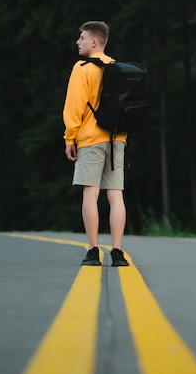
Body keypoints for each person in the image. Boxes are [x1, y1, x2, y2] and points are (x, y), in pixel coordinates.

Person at [63, 20, 129, 267]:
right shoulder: (117, 67)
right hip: (117, 138)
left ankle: (93, 251)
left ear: (94, 41)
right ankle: (118, 252)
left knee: (90, 194)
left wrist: (70, 137)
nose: (77, 42)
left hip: (91, 138)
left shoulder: (82, 68)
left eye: (81, 38)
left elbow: (74, 106)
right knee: (115, 195)